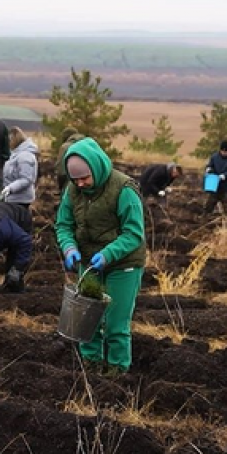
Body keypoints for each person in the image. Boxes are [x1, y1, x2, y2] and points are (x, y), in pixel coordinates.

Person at [56, 138, 146, 375]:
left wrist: (107, 254)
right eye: (75, 179)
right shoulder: (72, 190)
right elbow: (63, 224)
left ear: (96, 168)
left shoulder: (124, 189)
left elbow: (134, 233)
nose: (80, 183)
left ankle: (117, 372)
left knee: (116, 324)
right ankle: (91, 366)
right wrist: (69, 248)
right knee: (88, 320)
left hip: (123, 265)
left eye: (85, 178)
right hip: (89, 264)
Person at [1, 126, 38, 206]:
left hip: (21, 200)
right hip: (11, 198)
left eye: (9, 140)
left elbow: (26, 179)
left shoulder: (25, 156)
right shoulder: (14, 154)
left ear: (15, 140)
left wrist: (10, 188)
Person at [204, 140, 227, 215]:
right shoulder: (214, 157)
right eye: (222, 151)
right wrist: (208, 169)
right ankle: (205, 218)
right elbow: (210, 165)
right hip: (215, 187)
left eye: (226, 151)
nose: (224, 153)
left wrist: (225, 176)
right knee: (208, 206)